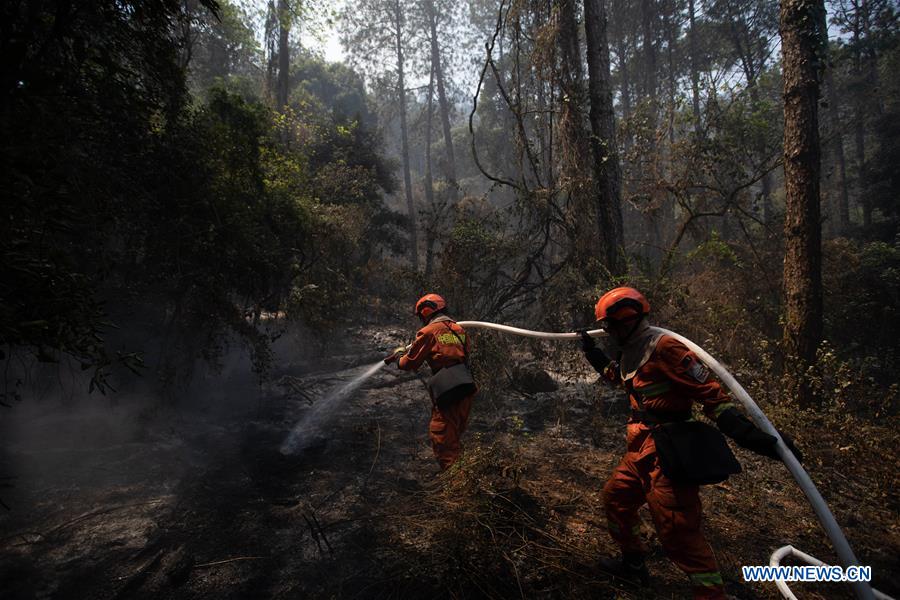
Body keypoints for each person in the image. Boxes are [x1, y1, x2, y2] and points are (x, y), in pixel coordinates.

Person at [581, 286, 802, 599]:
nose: (612, 332)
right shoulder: (633, 347)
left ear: (635, 319)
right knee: (616, 501)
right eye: (609, 327)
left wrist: (749, 435)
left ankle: (712, 594)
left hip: (668, 454)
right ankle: (633, 566)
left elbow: (712, 396)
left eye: (616, 325)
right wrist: (594, 354)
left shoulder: (667, 348)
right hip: (640, 449)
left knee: (678, 533)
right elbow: (623, 378)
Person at [386, 294, 477, 470]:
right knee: (454, 434)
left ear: (426, 311)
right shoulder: (459, 330)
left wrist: (399, 358)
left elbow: (409, 363)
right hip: (465, 386)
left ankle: (456, 484)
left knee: (442, 435)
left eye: (421, 316)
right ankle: (464, 472)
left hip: (448, 389)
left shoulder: (428, 332)